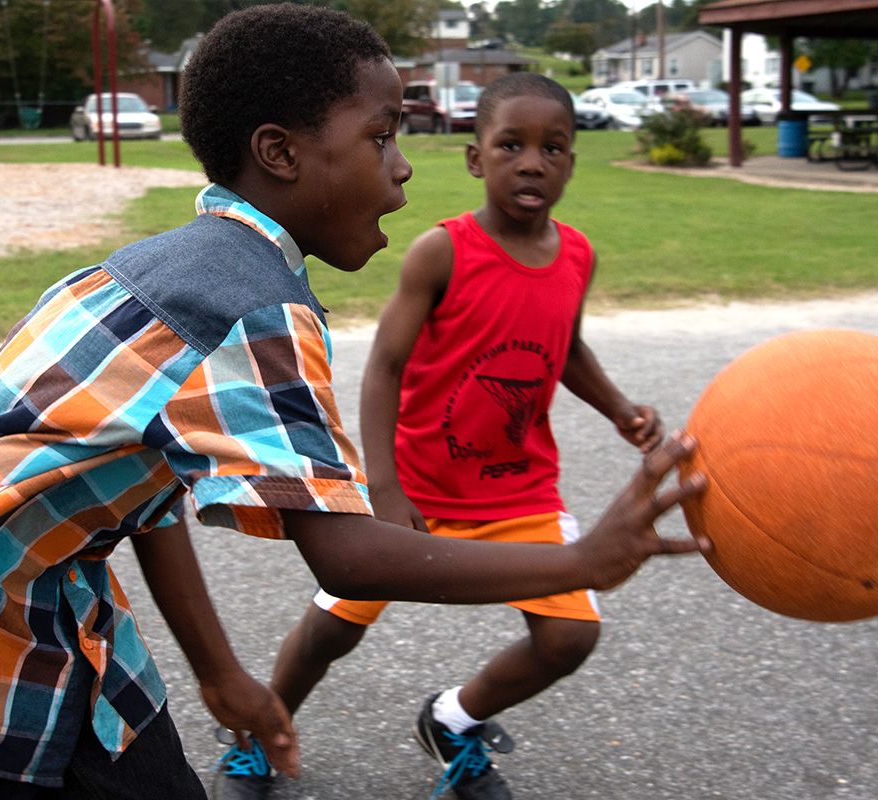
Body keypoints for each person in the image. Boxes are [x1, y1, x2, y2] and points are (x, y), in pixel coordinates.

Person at [0, 8, 708, 800]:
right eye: (382, 137)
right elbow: (351, 556)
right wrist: (589, 556)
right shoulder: (256, 306)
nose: (405, 167)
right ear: (280, 154)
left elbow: (150, 484)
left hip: (53, 609)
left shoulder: (181, 259)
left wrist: (215, 669)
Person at [212, 73, 665, 800]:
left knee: (570, 636)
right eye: (511, 144)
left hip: (520, 492)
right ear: (476, 158)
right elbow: (385, 367)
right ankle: (261, 735)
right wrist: (384, 487)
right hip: (416, 487)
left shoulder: (576, 256)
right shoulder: (442, 252)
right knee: (332, 628)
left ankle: (453, 721)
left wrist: (617, 407)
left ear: (573, 163)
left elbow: (567, 344)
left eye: (554, 148)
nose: (533, 162)